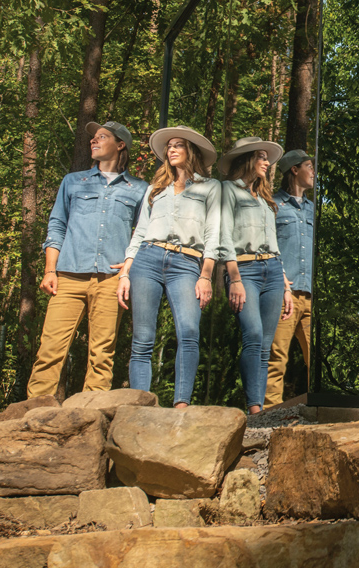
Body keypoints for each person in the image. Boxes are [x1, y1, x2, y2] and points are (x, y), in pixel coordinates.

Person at [27, 121, 148, 399]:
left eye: (102, 137)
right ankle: (32, 414)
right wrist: (50, 270)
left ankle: (91, 418)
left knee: (102, 355)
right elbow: (56, 226)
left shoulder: (139, 189)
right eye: (93, 138)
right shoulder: (73, 181)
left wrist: (128, 270)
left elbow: (143, 234)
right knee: (50, 350)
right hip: (68, 276)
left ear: (120, 145)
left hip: (111, 280)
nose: (94, 141)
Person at [117, 125, 221, 408]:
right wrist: (125, 271)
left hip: (187, 262)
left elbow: (214, 234)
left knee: (188, 333)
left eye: (179, 145)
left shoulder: (210, 188)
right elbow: (140, 232)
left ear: (192, 151)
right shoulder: (155, 189)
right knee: (142, 339)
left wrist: (206, 275)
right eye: (170, 146)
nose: (172, 149)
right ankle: (140, 406)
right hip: (147, 260)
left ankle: (181, 406)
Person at [218, 137, 293, 416]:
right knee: (253, 334)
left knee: (265, 345)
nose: (266, 163)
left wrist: (285, 284)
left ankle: (258, 410)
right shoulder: (228, 190)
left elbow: (274, 243)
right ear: (248, 159)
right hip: (244, 269)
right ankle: (253, 409)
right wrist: (233, 277)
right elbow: (224, 235)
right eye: (261, 157)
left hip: (273, 271)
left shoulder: (264, 199)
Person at [266, 149, 315, 407]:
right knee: (277, 357)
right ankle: (268, 415)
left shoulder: (313, 210)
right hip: (284, 294)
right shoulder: (273, 205)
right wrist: (281, 282)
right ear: (294, 170)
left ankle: (319, 412)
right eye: (309, 166)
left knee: (316, 361)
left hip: (311, 296)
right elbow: (267, 247)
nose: (313, 172)